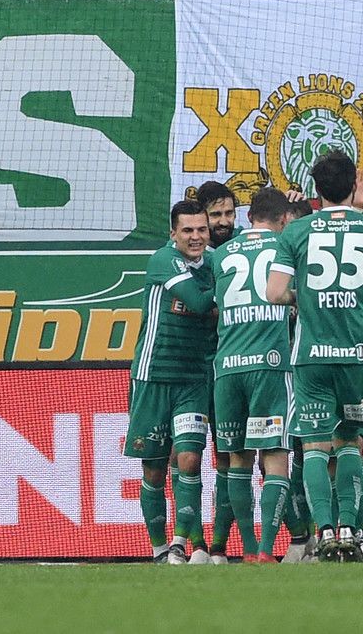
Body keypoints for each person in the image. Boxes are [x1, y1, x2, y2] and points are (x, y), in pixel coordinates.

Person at [267, 150, 363, 562]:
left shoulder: (296, 232)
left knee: (315, 447)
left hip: (311, 356)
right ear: (353, 185)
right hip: (358, 356)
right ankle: (350, 529)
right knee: (351, 442)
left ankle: (326, 532)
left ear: (315, 189)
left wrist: (303, 298)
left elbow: (275, 293)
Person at [125, 200, 216, 564]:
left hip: (193, 378)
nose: (196, 237)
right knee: (154, 469)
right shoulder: (164, 259)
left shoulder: (215, 262)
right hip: (154, 375)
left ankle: (180, 543)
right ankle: (159, 549)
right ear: (173, 233)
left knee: (190, 458)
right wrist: (228, 296)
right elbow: (198, 302)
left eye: (202, 230)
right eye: (188, 230)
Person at [211, 187, 296, 563]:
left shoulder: (222, 254)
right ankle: (265, 551)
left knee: (237, 460)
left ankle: (246, 547)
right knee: (275, 456)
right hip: (269, 365)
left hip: (228, 367)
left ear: (248, 217)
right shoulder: (285, 248)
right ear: (283, 220)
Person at [197, 180, 239, 563]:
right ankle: (198, 543)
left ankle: (220, 545)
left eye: (229, 213)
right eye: (216, 215)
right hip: (199, 370)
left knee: (235, 456)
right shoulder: (193, 257)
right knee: (193, 458)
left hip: (240, 366)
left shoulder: (246, 246)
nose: (224, 221)